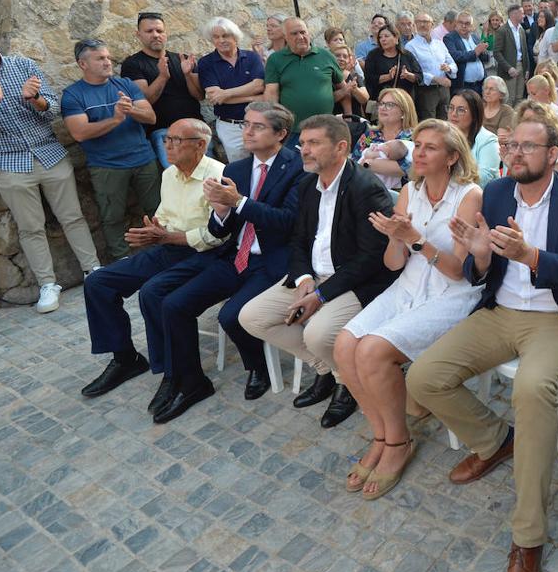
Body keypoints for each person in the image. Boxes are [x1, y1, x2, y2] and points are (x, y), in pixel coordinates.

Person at [406, 117, 558, 572]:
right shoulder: (495, 193)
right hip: (499, 314)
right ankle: (496, 440)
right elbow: (482, 269)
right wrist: (480, 254)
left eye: (527, 146)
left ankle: (527, 540)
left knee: (532, 390)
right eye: (511, 144)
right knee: (424, 376)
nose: (515, 153)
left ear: (554, 152)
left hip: (556, 320)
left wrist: (531, 255)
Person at [335, 120, 483, 499]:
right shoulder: (408, 192)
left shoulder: (468, 195)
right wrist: (396, 240)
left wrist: (415, 239)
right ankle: (382, 434)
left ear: (451, 157)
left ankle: (398, 442)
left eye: (430, 147)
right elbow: (392, 266)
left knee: (370, 350)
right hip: (408, 286)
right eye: (417, 145)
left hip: (449, 295)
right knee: (344, 344)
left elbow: (456, 271)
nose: (419, 153)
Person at [135, 103, 305, 422]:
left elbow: (288, 222)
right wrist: (222, 212)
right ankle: (190, 381)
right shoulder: (236, 169)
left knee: (231, 315)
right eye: (246, 124)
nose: (247, 131)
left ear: (281, 134)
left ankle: (258, 367)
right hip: (234, 256)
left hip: (272, 260)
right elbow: (219, 229)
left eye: (257, 126)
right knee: (173, 304)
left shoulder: (296, 167)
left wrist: (238, 203)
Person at [239, 115, 398, 429]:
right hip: (313, 276)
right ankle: (329, 371)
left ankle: (347, 386)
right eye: (303, 143)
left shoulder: (364, 188)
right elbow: (298, 238)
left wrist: (321, 294)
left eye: (314, 143)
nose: (304, 150)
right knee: (251, 317)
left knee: (317, 332)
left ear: (341, 147)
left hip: (354, 281)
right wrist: (304, 279)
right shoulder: (307, 184)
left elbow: (371, 258)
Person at [79, 120, 225, 403]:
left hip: (205, 254)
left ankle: (174, 372)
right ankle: (125, 357)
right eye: (167, 139)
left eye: (176, 140)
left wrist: (168, 237)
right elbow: (166, 216)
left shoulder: (218, 177)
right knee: (99, 282)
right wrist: (153, 231)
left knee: (154, 293)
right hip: (169, 247)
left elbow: (218, 236)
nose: (167, 145)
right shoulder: (170, 174)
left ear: (200, 145)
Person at [0, 22, 101, 311]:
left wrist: (34, 98)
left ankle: (94, 272)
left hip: (50, 154)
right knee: (30, 228)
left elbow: (52, 109)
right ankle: (48, 285)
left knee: (73, 217)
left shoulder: (23, 65)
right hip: (7, 163)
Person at [62, 40, 160, 263]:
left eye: (108, 57)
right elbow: (79, 133)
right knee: (112, 217)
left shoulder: (125, 84)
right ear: (83, 64)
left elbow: (151, 117)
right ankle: (122, 261)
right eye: (100, 58)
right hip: (107, 166)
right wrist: (116, 119)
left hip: (144, 159)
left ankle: (165, 251)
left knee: (158, 210)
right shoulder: (73, 95)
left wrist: (131, 109)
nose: (108, 62)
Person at [120, 12, 203, 166]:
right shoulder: (133, 64)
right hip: (165, 132)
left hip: (196, 128)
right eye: (149, 31)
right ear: (138, 35)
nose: (155, 35)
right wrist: (162, 77)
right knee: (179, 178)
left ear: (165, 33)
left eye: (159, 31)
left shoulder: (182, 59)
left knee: (207, 178)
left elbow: (199, 96)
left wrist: (188, 75)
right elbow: (145, 101)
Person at [196, 17, 266, 163]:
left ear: (235, 36)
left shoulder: (252, 57)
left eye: (225, 35)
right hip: (231, 127)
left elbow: (259, 85)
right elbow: (215, 97)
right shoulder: (206, 63)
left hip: (260, 122)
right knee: (240, 168)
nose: (221, 40)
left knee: (265, 164)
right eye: (216, 37)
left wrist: (226, 93)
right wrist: (253, 97)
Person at [263, 18, 343, 138]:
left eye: (303, 32)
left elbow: (341, 86)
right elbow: (271, 93)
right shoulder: (275, 60)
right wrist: (274, 124)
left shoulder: (326, 56)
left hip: (326, 129)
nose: (300, 37)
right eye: (294, 33)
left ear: (308, 33)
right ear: (285, 37)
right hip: (292, 132)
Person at [358, 87, 417, 189]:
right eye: (381, 103)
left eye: (390, 105)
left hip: (402, 194)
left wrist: (369, 163)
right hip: (367, 191)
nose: (383, 108)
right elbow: (355, 165)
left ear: (403, 112)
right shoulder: (370, 135)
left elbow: (409, 169)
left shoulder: (413, 138)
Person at [406, 13, 456, 121]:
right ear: (415, 25)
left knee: (445, 123)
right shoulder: (410, 46)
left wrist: (449, 68)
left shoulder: (439, 44)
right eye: (419, 22)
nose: (422, 25)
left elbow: (453, 64)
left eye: (426, 22)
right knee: (429, 124)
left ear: (432, 25)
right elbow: (415, 72)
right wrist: (435, 79)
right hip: (425, 91)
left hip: (443, 90)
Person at [448, 90, 500, 186]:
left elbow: (484, 178)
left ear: (475, 115)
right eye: (451, 108)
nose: (453, 114)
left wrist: (448, 180)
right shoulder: (444, 136)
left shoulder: (488, 140)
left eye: (461, 110)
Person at [363, 23, 421, 103]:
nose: (383, 39)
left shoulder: (406, 55)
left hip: (404, 101)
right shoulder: (373, 55)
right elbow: (369, 79)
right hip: (381, 101)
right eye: (380, 37)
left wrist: (408, 75)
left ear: (396, 38)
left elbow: (419, 76)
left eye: (386, 36)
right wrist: (388, 77)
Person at [443, 11, 488, 96]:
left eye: (467, 23)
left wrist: (483, 51)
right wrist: (475, 52)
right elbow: (455, 56)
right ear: (456, 23)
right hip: (464, 86)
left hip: (480, 85)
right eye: (461, 23)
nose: (464, 26)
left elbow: (485, 58)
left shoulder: (475, 37)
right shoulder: (449, 38)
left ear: (471, 26)